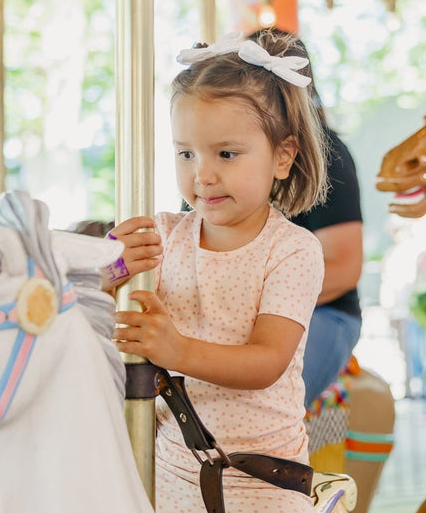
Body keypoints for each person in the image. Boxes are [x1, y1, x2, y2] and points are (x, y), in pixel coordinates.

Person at [110, 30, 328, 512]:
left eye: (226, 154)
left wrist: (176, 349)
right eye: (186, 153)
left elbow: (267, 362)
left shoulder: (291, 249)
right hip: (172, 468)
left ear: (283, 157)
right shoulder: (163, 235)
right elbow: (95, 300)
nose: (202, 174)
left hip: (259, 481)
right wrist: (107, 270)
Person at [248, 28, 363, 408]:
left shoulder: (328, 154)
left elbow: (345, 267)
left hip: (321, 313)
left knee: (262, 398)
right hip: (241, 308)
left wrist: (258, 300)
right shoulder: (218, 155)